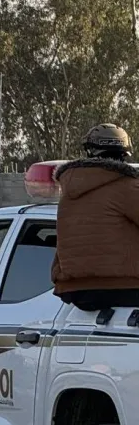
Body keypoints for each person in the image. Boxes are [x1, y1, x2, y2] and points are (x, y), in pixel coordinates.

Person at [51, 124, 139, 309]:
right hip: (124, 287)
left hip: (76, 293)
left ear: (89, 152)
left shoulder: (67, 192)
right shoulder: (128, 187)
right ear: (124, 154)